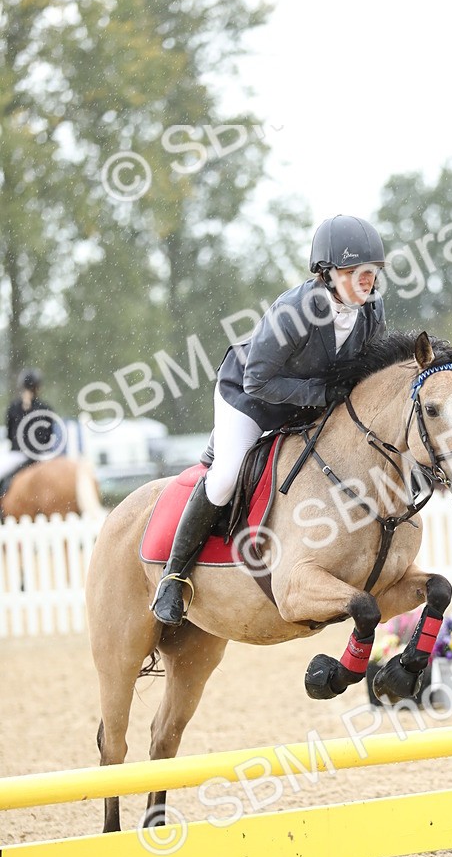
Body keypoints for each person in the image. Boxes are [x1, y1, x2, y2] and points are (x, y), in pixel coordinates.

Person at [151, 214, 388, 626]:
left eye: (371, 272)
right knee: (225, 477)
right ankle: (173, 577)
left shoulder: (371, 310)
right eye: (355, 272)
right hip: (250, 399)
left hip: (311, 406)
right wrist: (319, 393)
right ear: (328, 274)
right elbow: (257, 380)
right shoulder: (294, 311)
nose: (366, 281)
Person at [0, 368, 58, 485]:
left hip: (17, 456)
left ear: (22, 386)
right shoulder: (46, 408)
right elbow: (49, 437)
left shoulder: (13, 407)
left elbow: (9, 436)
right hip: (42, 456)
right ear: (38, 387)